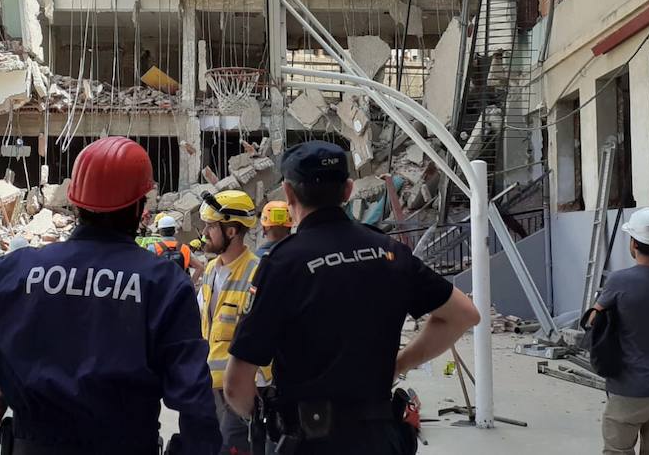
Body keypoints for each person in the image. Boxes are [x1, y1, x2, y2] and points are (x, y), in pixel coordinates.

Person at [0, 136, 220, 454]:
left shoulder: (18, 269)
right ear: (139, 205)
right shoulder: (162, 282)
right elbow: (194, 396)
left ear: (75, 201)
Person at [222, 140, 481, 454]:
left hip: (310, 440)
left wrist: (267, 424)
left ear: (288, 194)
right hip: (380, 437)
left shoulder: (283, 264)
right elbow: (464, 314)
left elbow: (236, 386)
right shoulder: (389, 251)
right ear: (348, 191)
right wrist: (398, 366)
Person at [591, 208, 649, 455]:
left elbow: (593, 320)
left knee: (617, 450)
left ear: (633, 242)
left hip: (630, 390)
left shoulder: (620, 281)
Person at [199, 190, 267, 455]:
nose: (204, 231)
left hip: (241, 390)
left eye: (211, 226)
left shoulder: (256, 273)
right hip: (211, 388)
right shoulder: (209, 270)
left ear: (231, 231)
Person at [155, 213, 207, 284]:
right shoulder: (184, 248)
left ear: (160, 231)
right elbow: (200, 267)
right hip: (180, 288)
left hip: (161, 288)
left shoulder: (153, 248)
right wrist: (191, 283)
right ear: (175, 231)